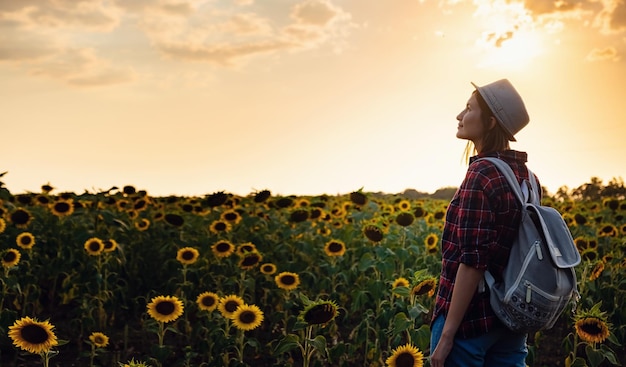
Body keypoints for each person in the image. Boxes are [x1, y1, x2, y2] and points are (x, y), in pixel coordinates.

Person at [429, 79, 538, 367]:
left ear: (490, 122)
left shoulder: (482, 173)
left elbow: (473, 261)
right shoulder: (528, 179)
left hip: (469, 321)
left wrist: (447, 336)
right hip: (510, 320)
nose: (459, 116)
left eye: (468, 108)